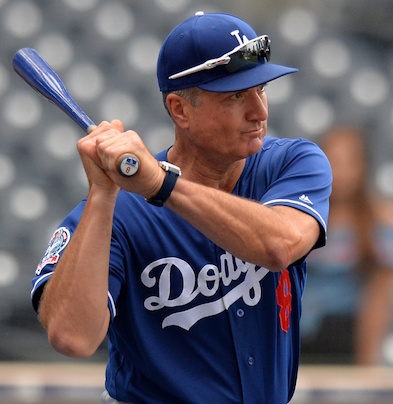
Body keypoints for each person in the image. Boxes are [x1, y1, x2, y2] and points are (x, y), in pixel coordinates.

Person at [30, 12, 332, 404]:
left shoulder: (292, 162)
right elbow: (72, 337)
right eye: (236, 96)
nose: (259, 112)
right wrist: (103, 194)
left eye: (262, 89)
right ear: (180, 110)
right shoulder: (121, 210)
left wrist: (162, 185)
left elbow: (280, 246)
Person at [300, 126, 393, 366]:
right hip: (291, 332)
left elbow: (380, 298)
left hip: (343, 336)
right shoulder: (299, 214)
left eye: (348, 161)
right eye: (332, 160)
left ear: (363, 166)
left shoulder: (383, 219)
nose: (340, 170)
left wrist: (367, 362)